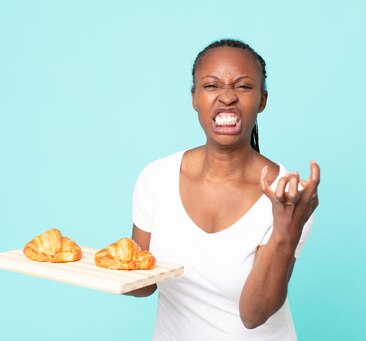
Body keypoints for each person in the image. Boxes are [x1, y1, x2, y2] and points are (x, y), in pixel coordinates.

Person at [127, 39, 320, 340]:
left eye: (243, 87)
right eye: (211, 86)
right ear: (194, 98)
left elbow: (254, 314)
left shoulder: (286, 195)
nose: (227, 97)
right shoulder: (156, 178)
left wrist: (285, 232)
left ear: (262, 100)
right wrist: (98, 266)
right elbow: (142, 285)